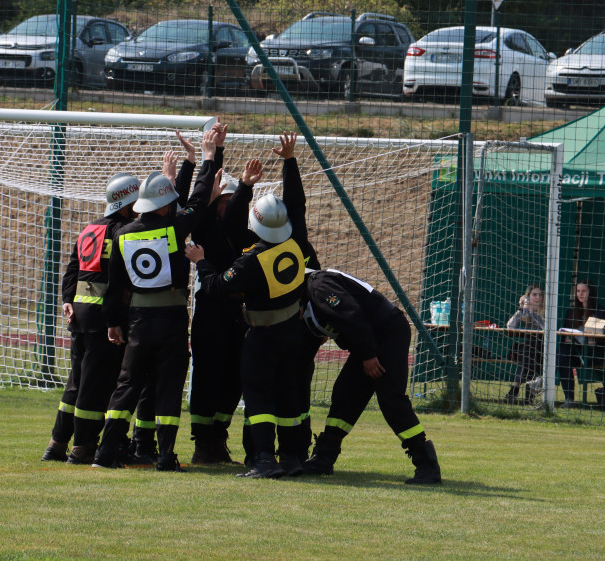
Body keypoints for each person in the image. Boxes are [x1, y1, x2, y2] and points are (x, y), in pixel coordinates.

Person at [91, 126, 221, 472]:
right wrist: (207, 158)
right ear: (165, 207)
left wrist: (114, 323)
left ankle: (105, 453)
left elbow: (114, 285)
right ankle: (165, 456)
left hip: (136, 322)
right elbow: (200, 199)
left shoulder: (121, 234)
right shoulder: (175, 228)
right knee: (168, 385)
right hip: (172, 320)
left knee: (127, 385)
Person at [186, 192, 310, 478]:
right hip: (293, 331)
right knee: (288, 393)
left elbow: (217, 285)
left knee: (258, 394)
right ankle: (291, 456)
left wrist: (201, 261)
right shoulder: (294, 245)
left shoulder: (251, 261)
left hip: (263, 334)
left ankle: (264, 457)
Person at [300, 268, 442, 485]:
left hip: (386, 334)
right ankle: (324, 457)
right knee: (345, 393)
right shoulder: (315, 286)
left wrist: (368, 355)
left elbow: (350, 314)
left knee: (391, 398)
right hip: (370, 337)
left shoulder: (317, 284)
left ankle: (426, 464)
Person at [41, 173, 139, 464]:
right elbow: (117, 283)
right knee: (94, 386)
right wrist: (115, 320)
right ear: (125, 203)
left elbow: (73, 267)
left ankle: (56, 445)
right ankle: (82, 448)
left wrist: (66, 300)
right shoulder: (124, 231)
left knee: (76, 382)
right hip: (103, 318)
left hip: (80, 316)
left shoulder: (90, 229)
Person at [168, 128, 247, 465]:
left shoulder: (234, 228)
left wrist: (242, 185)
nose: (228, 205)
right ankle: (203, 443)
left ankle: (219, 437)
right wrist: (211, 152)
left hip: (236, 315)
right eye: (223, 200)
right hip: (211, 314)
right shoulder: (202, 227)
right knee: (208, 377)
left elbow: (238, 209)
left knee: (233, 378)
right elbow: (202, 198)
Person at [557, 279, 605, 408]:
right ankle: (569, 399)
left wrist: (586, 339)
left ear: (590, 292)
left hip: (594, 353)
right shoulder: (571, 311)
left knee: (565, 354)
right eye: (578, 291)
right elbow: (565, 336)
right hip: (575, 352)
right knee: (562, 356)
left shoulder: (600, 311)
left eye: (584, 291)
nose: (580, 294)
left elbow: (596, 339)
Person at [504, 284, 545, 405]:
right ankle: (528, 395)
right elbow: (510, 326)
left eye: (540, 295)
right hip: (529, 350)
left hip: (543, 347)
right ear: (528, 296)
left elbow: (545, 327)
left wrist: (532, 313)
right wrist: (521, 308)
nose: (537, 298)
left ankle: (515, 388)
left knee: (528, 349)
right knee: (527, 350)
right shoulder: (525, 310)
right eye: (534, 295)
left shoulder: (546, 310)